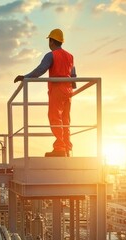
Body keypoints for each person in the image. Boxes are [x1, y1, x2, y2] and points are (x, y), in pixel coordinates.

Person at [15, 28, 76, 157]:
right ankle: (66, 148)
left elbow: (40, 70)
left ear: (52, 41)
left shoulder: (51, 55)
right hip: (68, 91)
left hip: (57, 89)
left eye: (49, 40)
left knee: (55, 117)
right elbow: (73, 75)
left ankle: (60, 148)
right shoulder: (70, 56)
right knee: (65, 119)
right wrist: (71, 88)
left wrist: (25, 77)